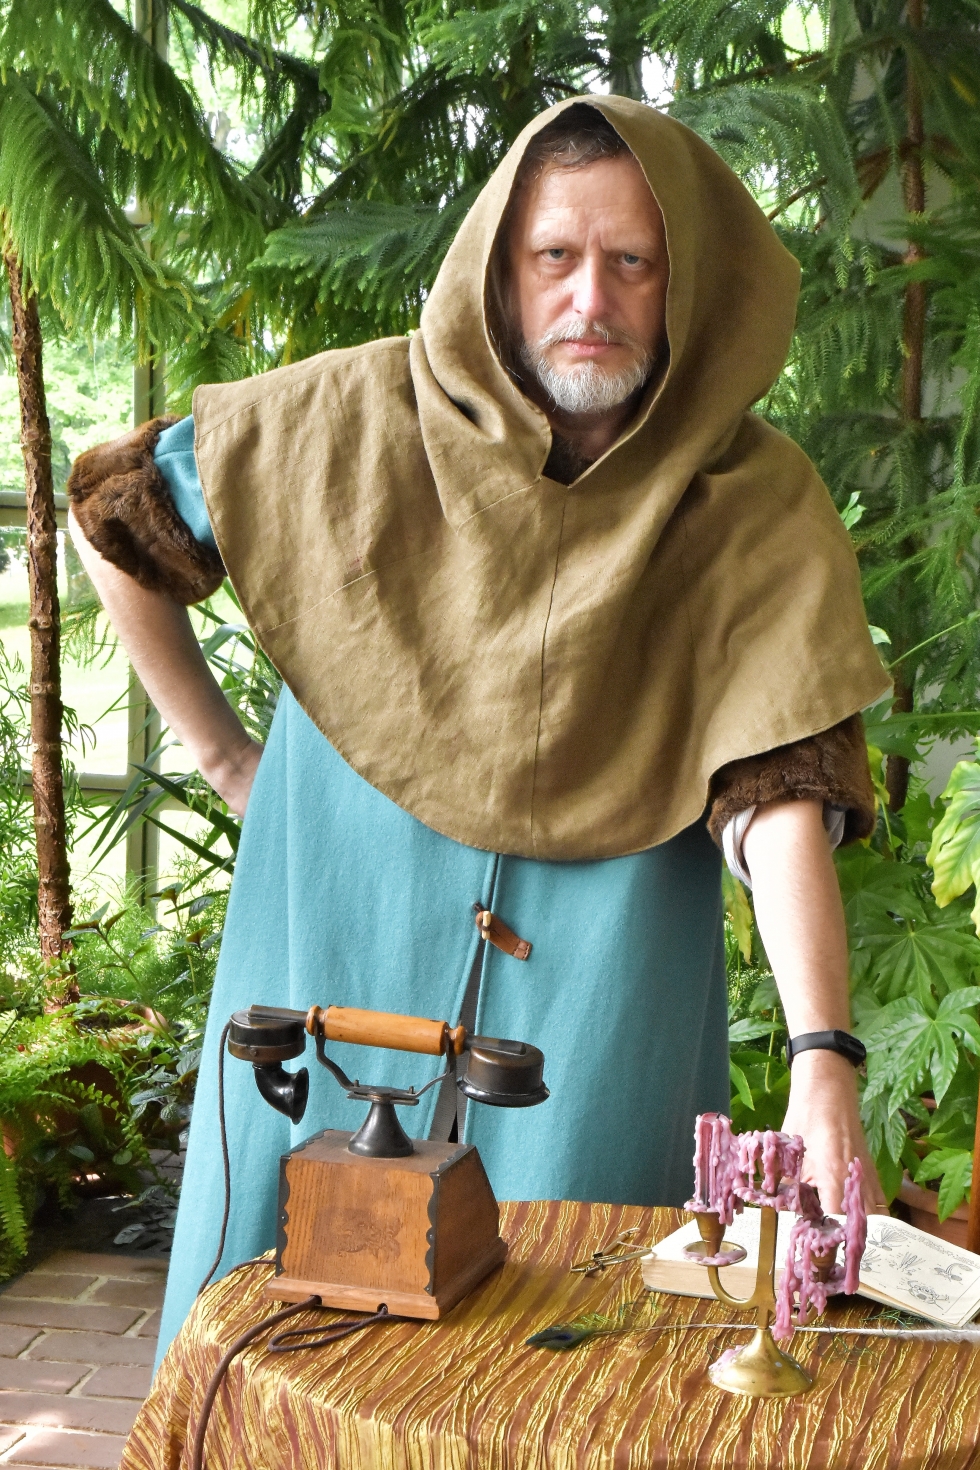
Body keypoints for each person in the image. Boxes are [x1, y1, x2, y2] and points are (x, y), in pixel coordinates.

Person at [67, 96, 891, 1366]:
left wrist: (819, 1053)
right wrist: (228, 758)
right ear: (500, 269)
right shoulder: (345, 418)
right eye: (554, 255)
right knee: (276, 1322)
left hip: (602, 980)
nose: (589, 299)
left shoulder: (752, 501)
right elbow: (117, 515)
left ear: (685, 283)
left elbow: (779, 788)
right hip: (336, 918)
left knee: (572, 1341)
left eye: (632, 261)